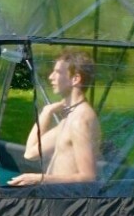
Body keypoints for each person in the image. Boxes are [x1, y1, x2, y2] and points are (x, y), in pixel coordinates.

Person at [11, 50, 102, 186]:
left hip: (70, 197)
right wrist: (46, 113)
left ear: (75, 79)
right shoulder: (69, 119)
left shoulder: (80, 120)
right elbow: (30, 153)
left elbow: (88, 177)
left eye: (57, 72)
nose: (50, 77)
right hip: (56, 194)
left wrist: (40, 179)